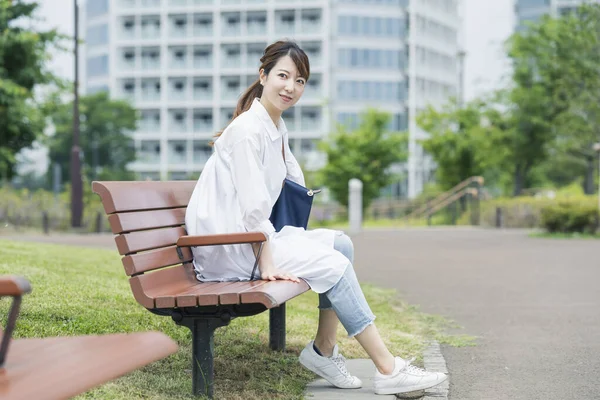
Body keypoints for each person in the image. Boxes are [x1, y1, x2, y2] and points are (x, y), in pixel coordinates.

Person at [185, 40, 447, 395]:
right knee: (334, 263)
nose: (291, 87)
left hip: (247, 238)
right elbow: (253, 207)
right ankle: (388, 369)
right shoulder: (248, 131)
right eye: (283, 76)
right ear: (263, 76)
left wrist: (299, 233)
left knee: (340, 242)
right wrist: (267, 260)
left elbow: (292, 182)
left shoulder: (275, 128)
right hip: (229, 248)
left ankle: (323, 349)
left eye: (300, 80)